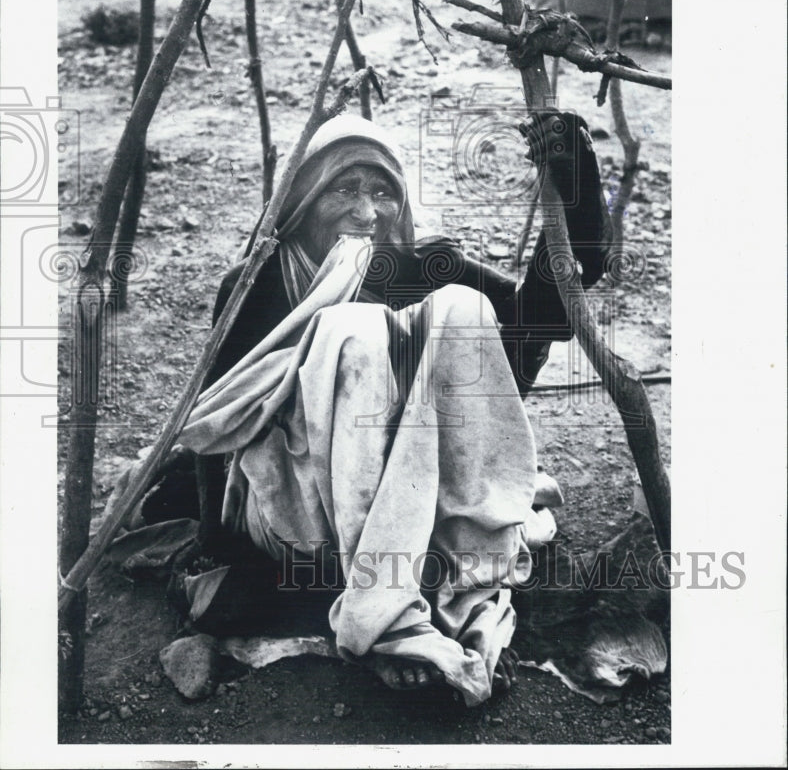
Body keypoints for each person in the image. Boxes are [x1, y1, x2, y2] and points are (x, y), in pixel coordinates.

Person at [179, 110, 611, 706]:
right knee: (352, 330)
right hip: (294, 511)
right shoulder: (254, 284)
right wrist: (217, 542)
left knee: (462, 309)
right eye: (346, 189)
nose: (367, 212)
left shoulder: (414, 267)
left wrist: (576, 186)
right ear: (304, 197)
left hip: (407, 508)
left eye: (384, 192)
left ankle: (429, 589)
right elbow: (215, 419)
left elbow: (542, 316)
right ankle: (384, 616)